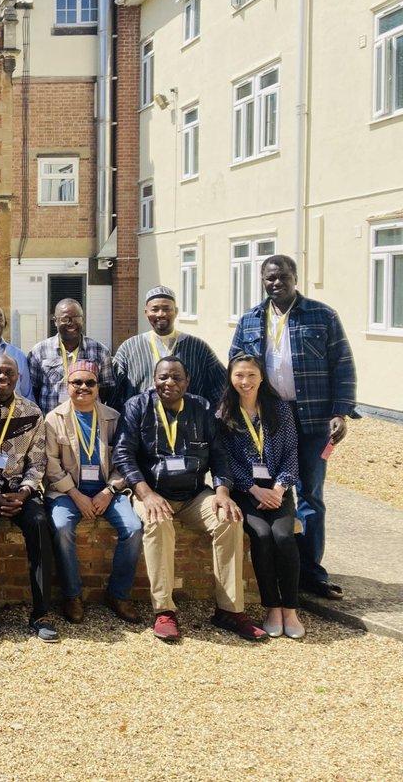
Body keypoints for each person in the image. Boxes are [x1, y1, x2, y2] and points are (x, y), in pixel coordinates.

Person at [230, 254, 356, 601]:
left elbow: (343, 366)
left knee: (310, 495)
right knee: (273, 488)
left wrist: (340, 412)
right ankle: (284, 565)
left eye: (283, 276)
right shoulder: (251, 320)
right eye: (270, 278)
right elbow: (237, 365)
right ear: (263, 281)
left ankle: (311, 573)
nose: (276, 283)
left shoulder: (322, 315)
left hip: (314, 418)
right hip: (268, 418)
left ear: (295, 277)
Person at [114, 356, 267, 642]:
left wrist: (222, 492)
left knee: (229, 520)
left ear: (187, 382)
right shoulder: (138, 406)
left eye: (176, 378)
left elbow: (220, 456)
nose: (169, 383)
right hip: (152, 492)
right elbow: (123, 453)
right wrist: (146, 494)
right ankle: (164, 611)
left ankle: (230, 611)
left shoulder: (203, 408)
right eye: (163, 377)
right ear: (154, 380)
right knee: (158, 523)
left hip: (195, 494)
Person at [44, 360, 143, 625]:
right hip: (66, 492)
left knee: (133, 528)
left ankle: (118, 595)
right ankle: (72, 595)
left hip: (107, 492)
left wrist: (109, 491)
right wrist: (76, 495)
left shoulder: (113, 417)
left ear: (99, 387)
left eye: (90, 382)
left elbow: (125, 459)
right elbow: (51, 466)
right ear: (67, 386)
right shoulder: (53, 420)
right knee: (62, 529)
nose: (83, 387)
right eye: (77, 382)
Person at [0, 355, 58, 642]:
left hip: (20, 490)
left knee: (40, 522)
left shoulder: (32, 412)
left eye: (8, 372)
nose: (1, 377)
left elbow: (38, 462)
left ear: (18, 377)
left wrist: (23, 492)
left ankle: (41, 613)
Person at [218, 353, 305, 639]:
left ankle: (289, 608)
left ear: (262, 377)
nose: (245, 381)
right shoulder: (224, 414)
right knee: (261, 535)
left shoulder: (279, 410)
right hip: (247, 491)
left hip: (278, 490)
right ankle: (271, 607)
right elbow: (226, 460)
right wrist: (253, 489)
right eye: (239, 375)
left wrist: (279, 489)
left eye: (251, 375)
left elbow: (293, 453)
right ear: (231, 378)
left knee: (283, 535)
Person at [111, 286, 225, 408]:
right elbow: (115, 392)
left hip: (188, 423)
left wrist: (208, 418)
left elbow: (221, 387)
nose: (161, 314)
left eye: (166, 309)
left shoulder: (197, 347)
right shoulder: (129, 348)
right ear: (146, 313)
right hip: (141, 423)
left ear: (176, 311)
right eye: (154, 309)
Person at [28, 298, 115, 413]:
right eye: (65, 318)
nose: (71, 322)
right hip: (52, 423)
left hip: (88, 422)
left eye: (76, 318)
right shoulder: (39, 351)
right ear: (55, 321)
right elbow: (33, 390)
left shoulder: (100, 351)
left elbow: (106, 389)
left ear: (82, 320)